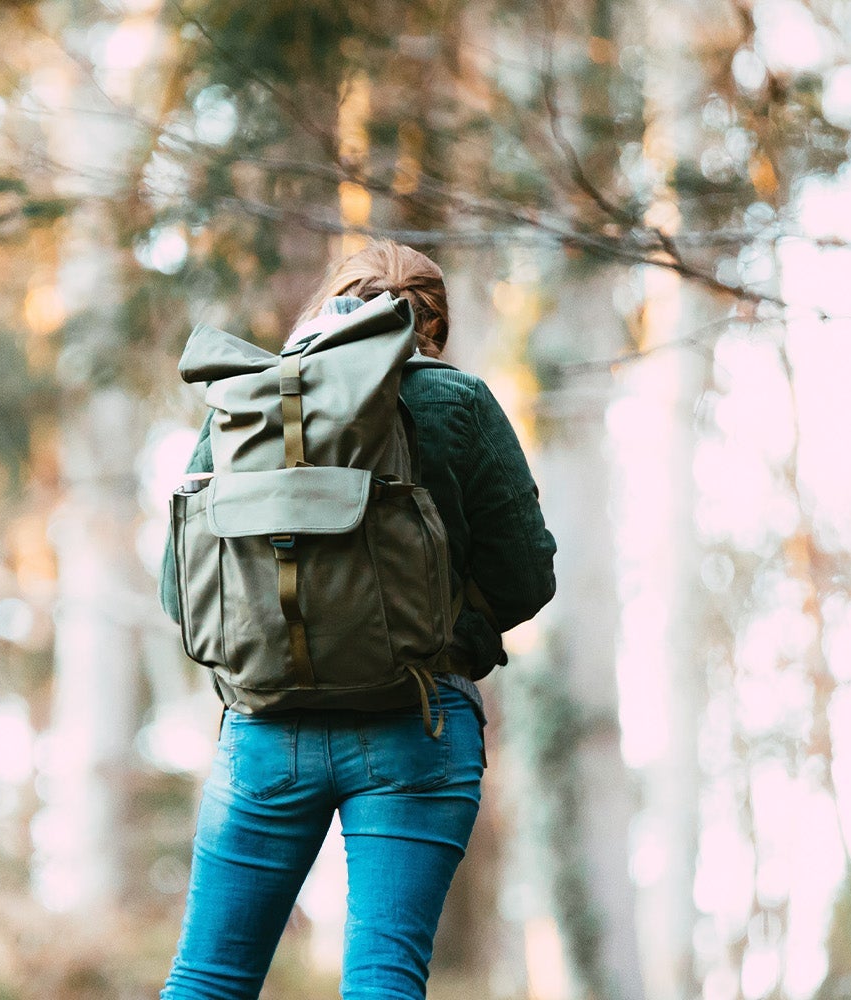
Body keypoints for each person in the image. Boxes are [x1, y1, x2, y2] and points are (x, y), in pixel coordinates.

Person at [156, 241, 557, 1000]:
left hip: (266, 728)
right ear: (431, 327)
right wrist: (449, 635)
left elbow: (182, 593)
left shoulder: (248, 399)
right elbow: (527, 578)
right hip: (417, 721)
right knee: (382, 981)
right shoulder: (458, 402)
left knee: (207, 979)